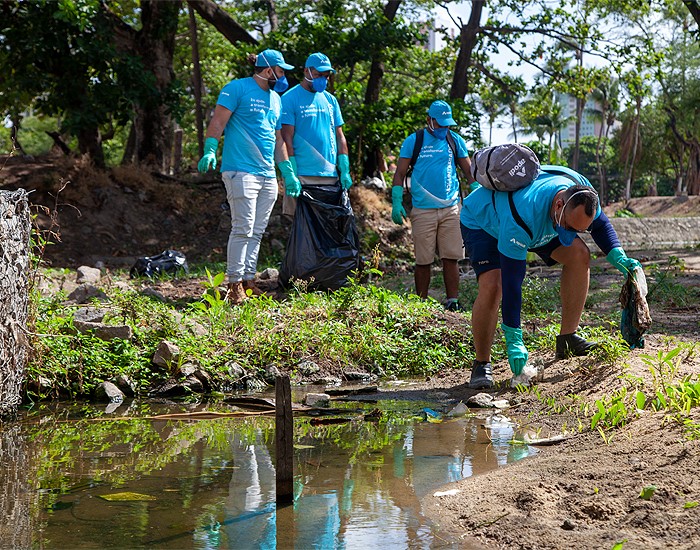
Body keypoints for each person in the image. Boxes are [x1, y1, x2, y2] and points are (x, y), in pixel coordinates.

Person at [460, 162, 642, 389]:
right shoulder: (522, 216)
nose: (573, 233)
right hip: (484, 222)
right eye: (569, 226)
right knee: (494, 285)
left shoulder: (582, 193)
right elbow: (512, 283)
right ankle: (481, 364)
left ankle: (568, 339)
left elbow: (601, 226)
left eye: (578, 229)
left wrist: (618, 256)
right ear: (559, 204)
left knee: (579, 254)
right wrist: (514, 339)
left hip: (542, 224)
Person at [197, 49, 300, 305]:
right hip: (240, 170)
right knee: (242, 227)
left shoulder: (276, 99)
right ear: (268, 71)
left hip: (266, 174)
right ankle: (233, 285)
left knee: (257, 230)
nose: (283, 75)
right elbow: (218, 122)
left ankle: (248, 282)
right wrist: (210, 149)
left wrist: (287, 172)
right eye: (281, 70)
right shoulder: (237, 89)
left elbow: (278, 140)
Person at [390, 100, 473, 311]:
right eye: (440, 124)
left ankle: (452, 301)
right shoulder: (414, 141)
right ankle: (421, 302)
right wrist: (397, 201)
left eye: (447, 125)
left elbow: (469, 172)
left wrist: (478, 196)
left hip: (451, 208)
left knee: (451, 257)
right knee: (423, 259)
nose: (444, 128)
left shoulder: (455, 141)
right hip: (422, 210)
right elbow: (399, 173)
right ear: (429, 120)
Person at [279, 52, 352, 210]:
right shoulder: (289, 99)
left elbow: (340, 136)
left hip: (330, 176)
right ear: (306, 71)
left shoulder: (330, 100)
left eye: (326, 76)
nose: (323, 79)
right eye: (318, 74)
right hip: (303, 175)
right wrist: (291, 174)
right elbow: (286, 139)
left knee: (328, 227)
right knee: (302, 228)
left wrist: (345, 169)